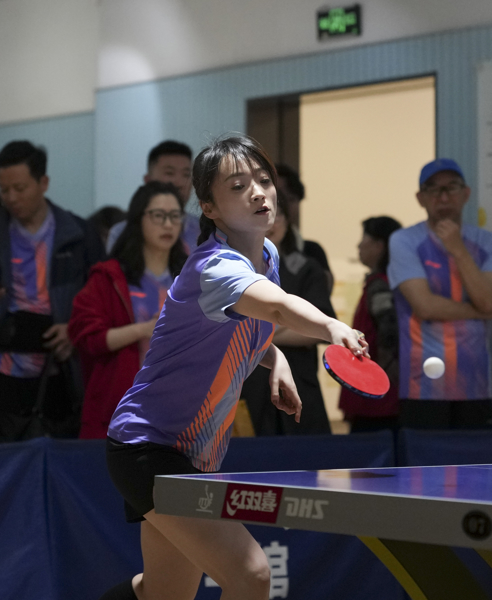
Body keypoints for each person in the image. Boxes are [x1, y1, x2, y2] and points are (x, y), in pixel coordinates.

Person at [100, 135, 365, 600]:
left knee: (163, 593)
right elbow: (277, 307)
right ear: (209, 207)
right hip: (149, 447)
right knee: (252, 574)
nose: (259, 192)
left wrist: (275, 357)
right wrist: (331, 326)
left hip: (191, 455)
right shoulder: (215, 268)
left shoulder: (267, 256)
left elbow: (236, 328)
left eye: (264, 180)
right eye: (239, 186)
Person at [388, 158, 492, 430]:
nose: (443, 197)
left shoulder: (489, 243)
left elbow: (488, 301)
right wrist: (484, 312)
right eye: (433, 189)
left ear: (466, 193)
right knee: (421, 459)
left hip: (475, 382)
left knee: (476, 458)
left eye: (451, 187)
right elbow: (425, 306)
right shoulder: (404, 241)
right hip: (422, 385)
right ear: (420, 198)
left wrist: (458, 249)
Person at [0, 140, 105, 441]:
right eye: (4, 190)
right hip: (7, 367)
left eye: (20, 188)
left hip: (61, 366)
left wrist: (75, 329)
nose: (11, 198)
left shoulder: (79, 235)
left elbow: (101, 300)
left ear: (43, 183)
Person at [69, 182, 187, 439]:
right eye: (158, 215)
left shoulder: (191, 278)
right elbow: (87, 338)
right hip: (119, 409)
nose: (168, 224)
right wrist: (144, 330)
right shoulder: (109, 277)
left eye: (175, 216)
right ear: (138, 220)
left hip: (180, 411)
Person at [240, 194, 336, 435]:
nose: (269, 223)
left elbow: (318, 331)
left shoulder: (306, 268)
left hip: (299, 382)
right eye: (257, 214)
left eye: (275, 215)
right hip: (246, 387)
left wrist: (254, 334)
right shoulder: (232, 270)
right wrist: (289, 326)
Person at [340, 216, 403, 432]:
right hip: (375, 396)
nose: (358, 246)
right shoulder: (381, 283)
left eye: (363, 239)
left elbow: (389, 335)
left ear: (379, 245)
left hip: (376, 401)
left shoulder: (380, 287)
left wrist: (383, 381)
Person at [106, 140, 201, 254]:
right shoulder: (121, 233)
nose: (179, 183)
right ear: (148, 180)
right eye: (169, 173)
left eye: (186, 175)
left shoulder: (204, 231)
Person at [274, 163, 333, 292]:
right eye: (276, 197)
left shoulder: (312, 253)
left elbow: (322, 295)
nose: (282, 204)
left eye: (290, 199)